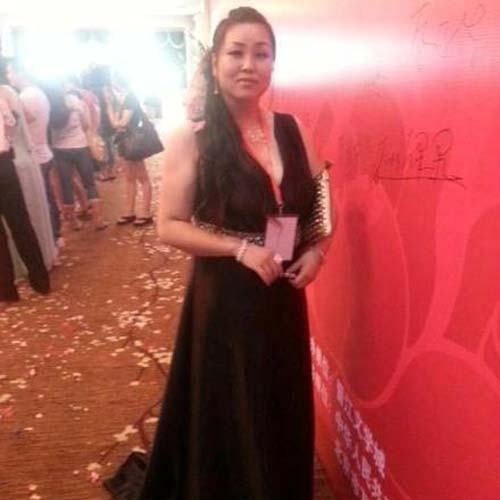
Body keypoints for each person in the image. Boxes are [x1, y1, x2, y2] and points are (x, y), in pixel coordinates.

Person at [105, 6, 334, 500]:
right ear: (215, 62)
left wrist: (317, 251)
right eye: (236, 53)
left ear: (273, 63)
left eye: (261, 54)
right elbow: (169, 225)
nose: (249, 64)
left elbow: (320, 202)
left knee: (279, 397)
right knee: (232, 405)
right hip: (226, 295)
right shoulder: (193, 138)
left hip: (282, 290)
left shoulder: (292, 128)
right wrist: (240, 248)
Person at [4, 58, 62, 246]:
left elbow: (22, 124)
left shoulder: (24, 97)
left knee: (39, 203)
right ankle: (55, 236)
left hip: (34, 153)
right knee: (47, 198)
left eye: (10, 72)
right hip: (42, 150)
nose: (8, 77)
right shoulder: (38, 93)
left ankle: (51, 238)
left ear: (21, 72)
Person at [0, 88, 50, 301]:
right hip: (4, 162)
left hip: (4, 161)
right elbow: (11, 122)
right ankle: (40, 281)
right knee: (21, 223)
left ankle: (7, 290)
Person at [47, 82, 108, 231]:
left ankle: (73, 222)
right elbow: (86, 125)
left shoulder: (49, 106)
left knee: (66, 186)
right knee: (89, 183)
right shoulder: (74, 102)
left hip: (60, 150)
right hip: (80, 147)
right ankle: (98, 220)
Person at [104, 75, 153, 227]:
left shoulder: (129, 98)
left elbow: (121, 123)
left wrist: (110, 109)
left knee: (142, 177)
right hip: (125, 142)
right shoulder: (124, 100)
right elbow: (117, 124)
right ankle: (129, 211)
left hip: (132, 142)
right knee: (129, 177)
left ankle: (145, 212)